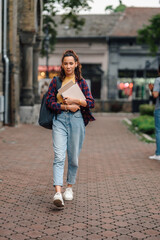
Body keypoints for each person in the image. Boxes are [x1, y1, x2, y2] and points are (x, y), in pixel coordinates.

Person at [46, 49, 95, 207]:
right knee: (59, 157)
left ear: (76, 64)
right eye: (65, 63)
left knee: (73, 157)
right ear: (62, 64)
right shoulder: (56, 82)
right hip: (59, 120)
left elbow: (91, 102)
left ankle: (69, 187)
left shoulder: (81, 82)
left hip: (76, 120)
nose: (68, 66)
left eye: (71, 63)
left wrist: (75, 101)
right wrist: (65, 106)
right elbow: (49, 102)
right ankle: (58, 193)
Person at [148, 65, 160, 161]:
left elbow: (155, 95)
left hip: (159, 109)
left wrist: (152, 89)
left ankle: (158, 154)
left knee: (159, 131)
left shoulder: (158, 80)